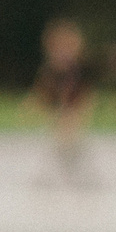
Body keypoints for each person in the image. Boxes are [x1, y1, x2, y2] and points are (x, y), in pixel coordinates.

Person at [28, 17, 97, 187]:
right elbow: (44, 91)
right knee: (60, 140)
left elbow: (85, 92)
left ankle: (77, 174)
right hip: (60, 108)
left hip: (72, 107)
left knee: (70, 139)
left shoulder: (78, 70)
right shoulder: (51, 70)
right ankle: (58, 174)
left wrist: (81, 108)